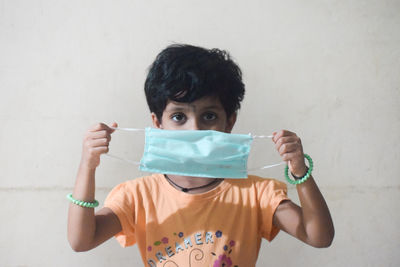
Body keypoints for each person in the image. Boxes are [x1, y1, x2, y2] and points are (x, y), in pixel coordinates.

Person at [67, 44, 334, 266]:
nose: (194, 129)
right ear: (157, 123)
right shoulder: (137, 197)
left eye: (208, 116)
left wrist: (300, 171)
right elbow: (81, 241)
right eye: (178, 116)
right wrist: (87, 166)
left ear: (229, 122)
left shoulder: (256, 194)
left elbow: (318, 236)